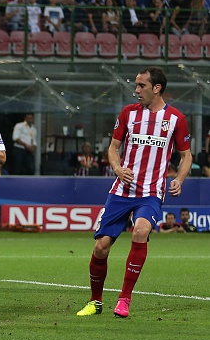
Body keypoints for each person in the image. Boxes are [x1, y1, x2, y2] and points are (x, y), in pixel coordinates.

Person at [76, 66, 192, 319]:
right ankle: (95, 302)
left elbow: (186, 155)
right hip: (121, 191)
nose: (136, 90)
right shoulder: (128, 113)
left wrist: (179, 178)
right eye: (136, 85)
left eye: (141, 86)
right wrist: (117, 168)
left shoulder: (176, 119)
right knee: (101, 248)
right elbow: (113, 147)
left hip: (151, 191)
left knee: (141, 231)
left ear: (156, 88)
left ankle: (124, 299)